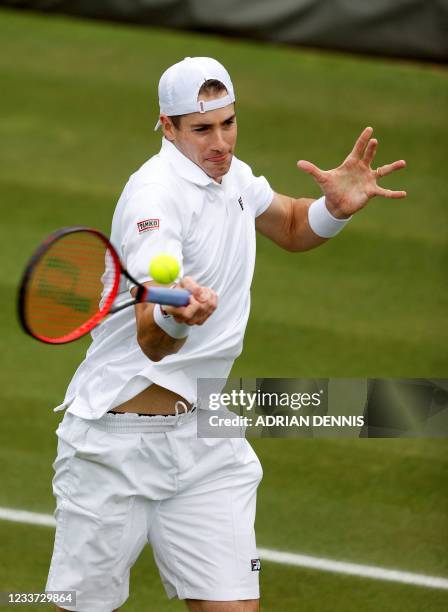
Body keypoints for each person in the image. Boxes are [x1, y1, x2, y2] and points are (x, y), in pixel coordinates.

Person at [45, 57, 406, 612]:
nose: (220, 142)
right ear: (167, 126)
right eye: (202, 129)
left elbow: (287, 221)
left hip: (205, 440)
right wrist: (174, 314)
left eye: (228, 123)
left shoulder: (232, 175)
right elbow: (151, 338)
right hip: (115, 448)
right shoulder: (154, 200)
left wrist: (333, 209)